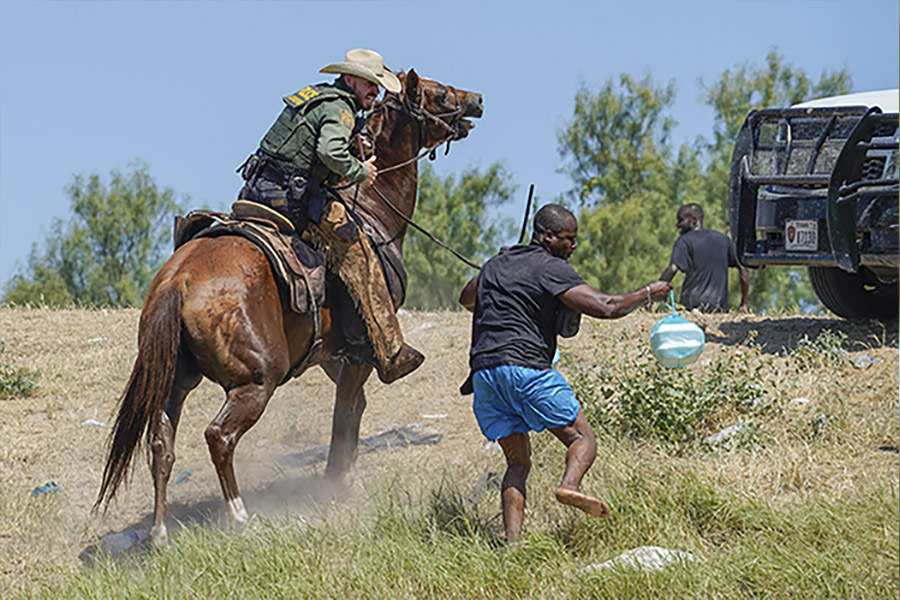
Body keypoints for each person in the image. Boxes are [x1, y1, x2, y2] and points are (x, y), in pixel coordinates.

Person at [458, 204, 671, 543]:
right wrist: (647, 294)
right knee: (582, 439)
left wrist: (497, 269)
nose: (574, 246)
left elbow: (466, 297)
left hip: (485, 376)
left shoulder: (497, 263)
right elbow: (606, 306)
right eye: (569, 239)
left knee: (517, 465)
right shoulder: (550, 267)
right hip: (527, 369)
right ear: (548, 237)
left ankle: (513, 546)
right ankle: (570, 487)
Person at [237, 48, 423, 384]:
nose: (376, 91)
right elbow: (329, 151)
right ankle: (390, 351)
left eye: (377, 86)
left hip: (256, 191)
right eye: (370, 83)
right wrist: (360, 171)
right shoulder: (342, 109)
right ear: (350, 79)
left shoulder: (317, 97)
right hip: (292, 200)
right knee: (360, 252)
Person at [659, 203, 749, 313]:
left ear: (693, 220)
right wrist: (744, 303)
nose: (677, 225)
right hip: (719, 309)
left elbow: (673, 269)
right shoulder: (724, 240)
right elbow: (743, 268)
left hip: (692, 307)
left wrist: (652, 294)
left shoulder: (685, 241)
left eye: (681, 220)